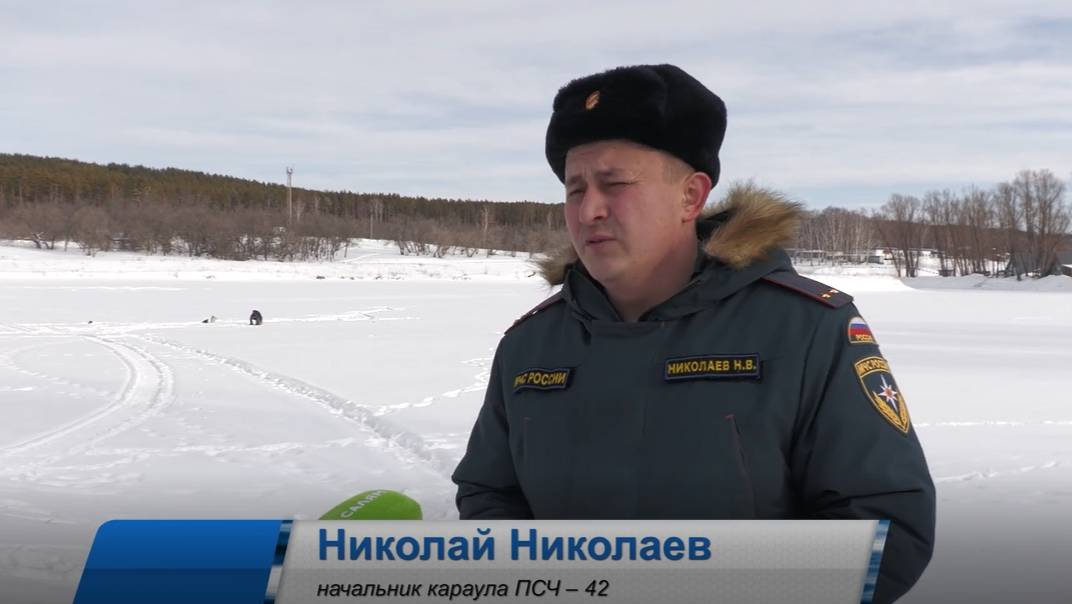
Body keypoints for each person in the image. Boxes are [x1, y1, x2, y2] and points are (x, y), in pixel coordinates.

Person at [451, 64, 935, 603]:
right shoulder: (530, 344)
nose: (589, 211)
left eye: (615, 184)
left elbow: (885, 528)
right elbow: (489, 492)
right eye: (575, 189)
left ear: (690, 196)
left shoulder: (804, 327)